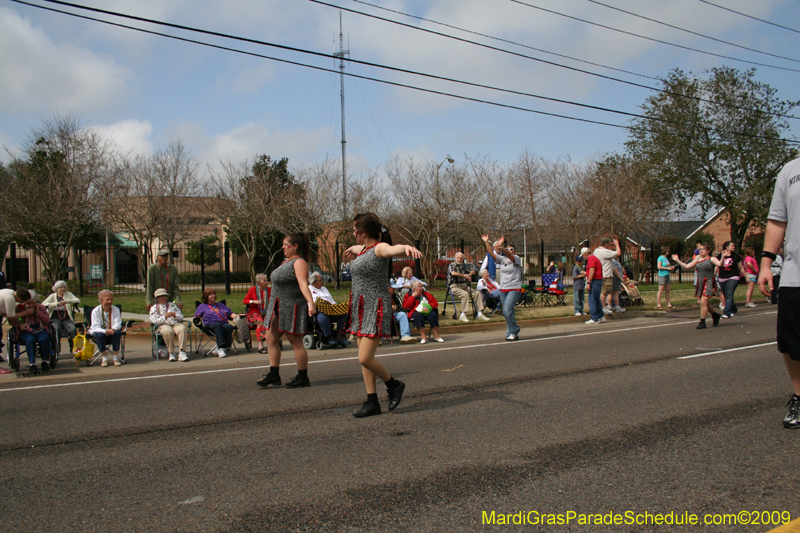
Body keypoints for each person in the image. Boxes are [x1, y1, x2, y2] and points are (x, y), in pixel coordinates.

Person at [344, 213, 422, 418]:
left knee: (364, 358)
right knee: (364, 359)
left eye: (354, 231)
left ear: (363, 233)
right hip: (360, 307)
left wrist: (405, 248)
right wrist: (352, 250)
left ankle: (394, 385)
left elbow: (391, 249)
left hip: (375, 307)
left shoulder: (378, 248)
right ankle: (372, 402)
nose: (353, 234)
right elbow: (357, 249)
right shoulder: (363, 250)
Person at [757, 156, 800, 429]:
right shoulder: (790, 170)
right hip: (795, 275)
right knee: (792, 344)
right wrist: (765, 264)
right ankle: (799, 396)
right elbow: (777, 222)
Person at [256, 234, 317, 389]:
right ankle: (274, 374)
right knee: (270, 338)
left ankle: (303, 376)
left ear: (295, 246)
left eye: (285, 244)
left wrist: (311, 304)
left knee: (296, 342)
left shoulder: (299, 262)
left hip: (292, 306)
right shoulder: (286, 262)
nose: (283, 247)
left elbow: (304, 285)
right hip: (278, 306)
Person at [482, 234, 523, 340]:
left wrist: (502, 246)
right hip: (503, 289)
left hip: (514, 288)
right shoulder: (502, 260)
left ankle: (513, 331)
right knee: (507, 312)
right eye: (508, 248)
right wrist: (487, 242)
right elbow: (491, 253)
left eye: (511, 249)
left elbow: (509, 254)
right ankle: (511, 331)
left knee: (507, 309)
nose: (510, 250)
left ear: (515, 251)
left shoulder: (516, 259)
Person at [672, 243, 722, 329]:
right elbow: (687, 266)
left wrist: (723, 256)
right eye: (700, 249)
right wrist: (677, 260)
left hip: (710, 282)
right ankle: (715, 315)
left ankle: (702, 321)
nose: (701, 251)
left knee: (703, 302)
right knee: (705, 302)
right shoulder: (698, 258)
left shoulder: (712, 258)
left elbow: (720, 264)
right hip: (701, 282)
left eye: (703, 249)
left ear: (708, 251)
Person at [9, 292, 52, 373]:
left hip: (40, 328)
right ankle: (32, 363)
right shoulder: (19, 308)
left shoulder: (41, 307)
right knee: (30, 339)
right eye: (28, 303)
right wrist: (19, 324)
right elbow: (11, 320)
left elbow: (47, 320)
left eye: (32, 303)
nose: (30, 305)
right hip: (25, 330)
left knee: (44, 338)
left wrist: (38, 312)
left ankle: (44, 361)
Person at [446, 252, 490, 323]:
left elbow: (473, 271)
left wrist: (468, 275)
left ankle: (479, 313)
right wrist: (464, 276)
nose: (459, 259)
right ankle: (462, 315)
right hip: (454, 286)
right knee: (465, 294)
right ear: (455, 258)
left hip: (464, 285)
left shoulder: (463, 265)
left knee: (477, 293)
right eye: (458, 258)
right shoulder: (452, 265)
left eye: (461, 258)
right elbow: (453, 273)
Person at [195, 289, 239, 358]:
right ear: (206, 296)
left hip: (223, 323)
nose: (213, 296)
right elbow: (196, 317)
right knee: (218, 326)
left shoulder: (220, 305)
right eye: (210, 294)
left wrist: (237, 316)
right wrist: (197, 318)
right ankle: (221, 348)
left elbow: (230, 313)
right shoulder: (202, 306)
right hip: (210, 325)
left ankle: (224, 347)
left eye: (213, 294)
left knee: (229, 326)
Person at [309, 271, 349, 347]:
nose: (322, 281)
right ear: (314, 282)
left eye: (322, 280)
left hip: (331, 309)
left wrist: (334, 304)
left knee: (344, 313)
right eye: (320, 280)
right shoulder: (309, 289)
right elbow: (310, 303)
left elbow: (331, 300)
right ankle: (329, 337)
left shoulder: (324, 288)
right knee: (323, 317)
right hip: (320, 310)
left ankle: (339, 336)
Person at [149, 288, 189, 362]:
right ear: (157, 298)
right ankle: (172, 352)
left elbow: (181, 317)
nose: (163, 298)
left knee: (182, 328)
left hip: (175, 323)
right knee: (168, 331)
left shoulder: (172, 305)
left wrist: (175, 316)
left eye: (165, 296)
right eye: (161, 296)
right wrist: (165, 317)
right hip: (163, 325)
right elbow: (154, 321)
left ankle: (182, 352)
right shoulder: (154, 308)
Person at [88, 290, 124, 367]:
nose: (109, 301)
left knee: (117, 333)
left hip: (112, 331)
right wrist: (105, 331)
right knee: (100, 335)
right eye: (107, 299)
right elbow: (95, 326)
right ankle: (104, 359)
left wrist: (113, 329)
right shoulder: (96, 311)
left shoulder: (115, 309)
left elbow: (118, 322)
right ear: (101, 300)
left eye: (111, 299)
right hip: (99, 331)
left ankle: (115, 358)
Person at [42, 280, 80, 351]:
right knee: (56, 329)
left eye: (64, 287)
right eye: (60, 287)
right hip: (55, 317)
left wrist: (67, 301)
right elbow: (44, 304)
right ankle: (56, 349)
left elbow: (77, 300)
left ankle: (73, 348)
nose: (63, 289)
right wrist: (56, 304)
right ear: (56, 289)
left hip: (66, 316)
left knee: (73, 329)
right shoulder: (52, 296)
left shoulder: (68, 294)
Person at [402, 280, 444, 344]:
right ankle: (423, 337)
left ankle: (437, 336)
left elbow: (435, 303)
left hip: (427, 311)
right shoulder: (408, 295)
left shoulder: (426, 294)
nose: (422, 288)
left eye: (422, 286)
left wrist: (428, 306)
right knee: (418, 316)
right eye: (420, 286)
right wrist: (412, 296)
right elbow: (406, 306)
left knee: (433, 315)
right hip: (415, 311)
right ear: (414, 289)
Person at [0, 288, 35, 358]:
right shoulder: (10, 298)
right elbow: (11, 316)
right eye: (23, 301)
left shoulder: (10, 292)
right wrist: (26, 312)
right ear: (19, 299)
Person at [716, 241, 746, 319]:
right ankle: (733, 309)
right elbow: (717, 265)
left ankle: (726, 312)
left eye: (734, 246)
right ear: (727, 247)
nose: (733, 247)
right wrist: (714, 273)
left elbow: (740, 267)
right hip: (722, 276)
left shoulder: (736, 256)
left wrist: (746, 276)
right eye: (732, 246)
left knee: (729, 294)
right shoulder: (720, 255)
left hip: (733, 276)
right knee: (726, 295)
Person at [243, 273, 270, 353]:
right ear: (259, 282)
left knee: (271, 321)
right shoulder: (252, 290)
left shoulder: (269, 290)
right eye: (264, 280)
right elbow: (245, 301)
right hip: (254, 312)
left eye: (266, 280)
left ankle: (270, 341)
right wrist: (253, 301)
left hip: (265, 312)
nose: (266, 282)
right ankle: (260, 345)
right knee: (260, 322)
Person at [593, 236, 621, 314]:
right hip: (606, 274)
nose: (609, 245)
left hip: (600, 274)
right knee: (605, 292)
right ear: (605, 244)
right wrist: (617, 244)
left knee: (603, 291)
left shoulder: (596, 251)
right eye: (608, 243)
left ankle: (603, 307)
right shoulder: (605, 252)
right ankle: (604, 308)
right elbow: (618, 253)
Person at [584, 245, 605, 324]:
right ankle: (601, 316)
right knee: (596, 299)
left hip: (594, 281)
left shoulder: (591, 258)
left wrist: (588, 282)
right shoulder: (595, 258)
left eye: (583, 256)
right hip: (598, 280)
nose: (584, 258)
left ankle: (594, 318)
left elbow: (592, 270)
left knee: (592, 299)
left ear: (586, 254)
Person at [655, 246, 675, 310]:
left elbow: (667, 265)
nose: (669, 252)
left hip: (667, 275)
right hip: (662, 275)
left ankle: (669, 303)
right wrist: (667, 268)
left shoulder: (666, 258)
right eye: (668, 251)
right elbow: (659, 267)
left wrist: (670, 268)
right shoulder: (660, 258)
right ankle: (658, 304)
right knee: (660, 290)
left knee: (667, 290)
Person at [572, 249, 588, 316]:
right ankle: (577, 310)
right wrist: (582, 275)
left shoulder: (581, 268)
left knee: (581, 299)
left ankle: (581, 310)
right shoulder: (575, 268)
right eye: (578, 261)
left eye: (580, 261)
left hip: (581, 285)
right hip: (577, 285)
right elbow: (574, 276)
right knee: (577, 299)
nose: (579, 262)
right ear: (576, 261)